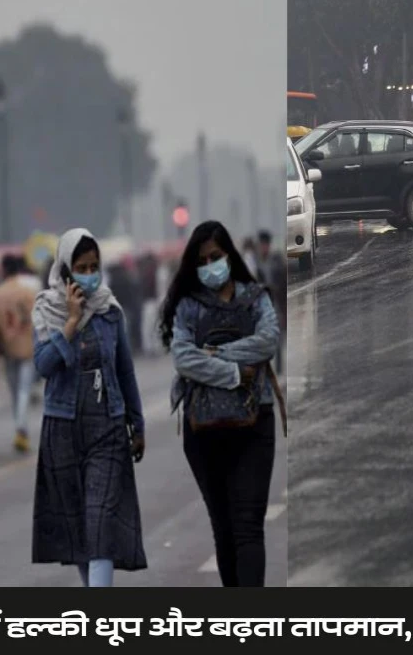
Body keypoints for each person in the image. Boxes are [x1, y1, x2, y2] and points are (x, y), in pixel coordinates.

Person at [160, 220, 282, 586]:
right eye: (203, 260)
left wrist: (213, 353)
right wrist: (232, 372)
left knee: (248, 527)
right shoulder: (187, 307)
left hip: (254, 420)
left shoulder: (256, 297)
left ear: (229, 254)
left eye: (216, 256)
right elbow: (183, 358)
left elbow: (268, 342)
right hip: (203, 429)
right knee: (224, 529)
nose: (211, 264)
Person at [30, 228, 147, 586]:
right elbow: (43, 365)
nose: (89, 273)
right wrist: (70, 323)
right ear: (65, 272)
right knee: (81, 534)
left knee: (100, 528)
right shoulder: (47, 310)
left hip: (108, 432)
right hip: (62, 431)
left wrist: (137, 423)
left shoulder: (111, 312)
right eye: (81, 267)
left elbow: (124, 370)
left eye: (94, 265)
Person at [0, 254, 37, 453]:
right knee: (23, 389)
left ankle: (20, 427)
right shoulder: (27, 292)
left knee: (14, 389)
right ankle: (21, 427)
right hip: (26, 345)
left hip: (6, 347)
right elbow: (37, 319)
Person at [257, 230, 287, 374]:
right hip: (263, 307)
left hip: (276, 306)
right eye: (261, 245)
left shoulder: (276, 262)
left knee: (278, 340)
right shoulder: (258, 264)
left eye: (265, 245)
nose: (264, 248)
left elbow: (282, 287)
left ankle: (279, 369)